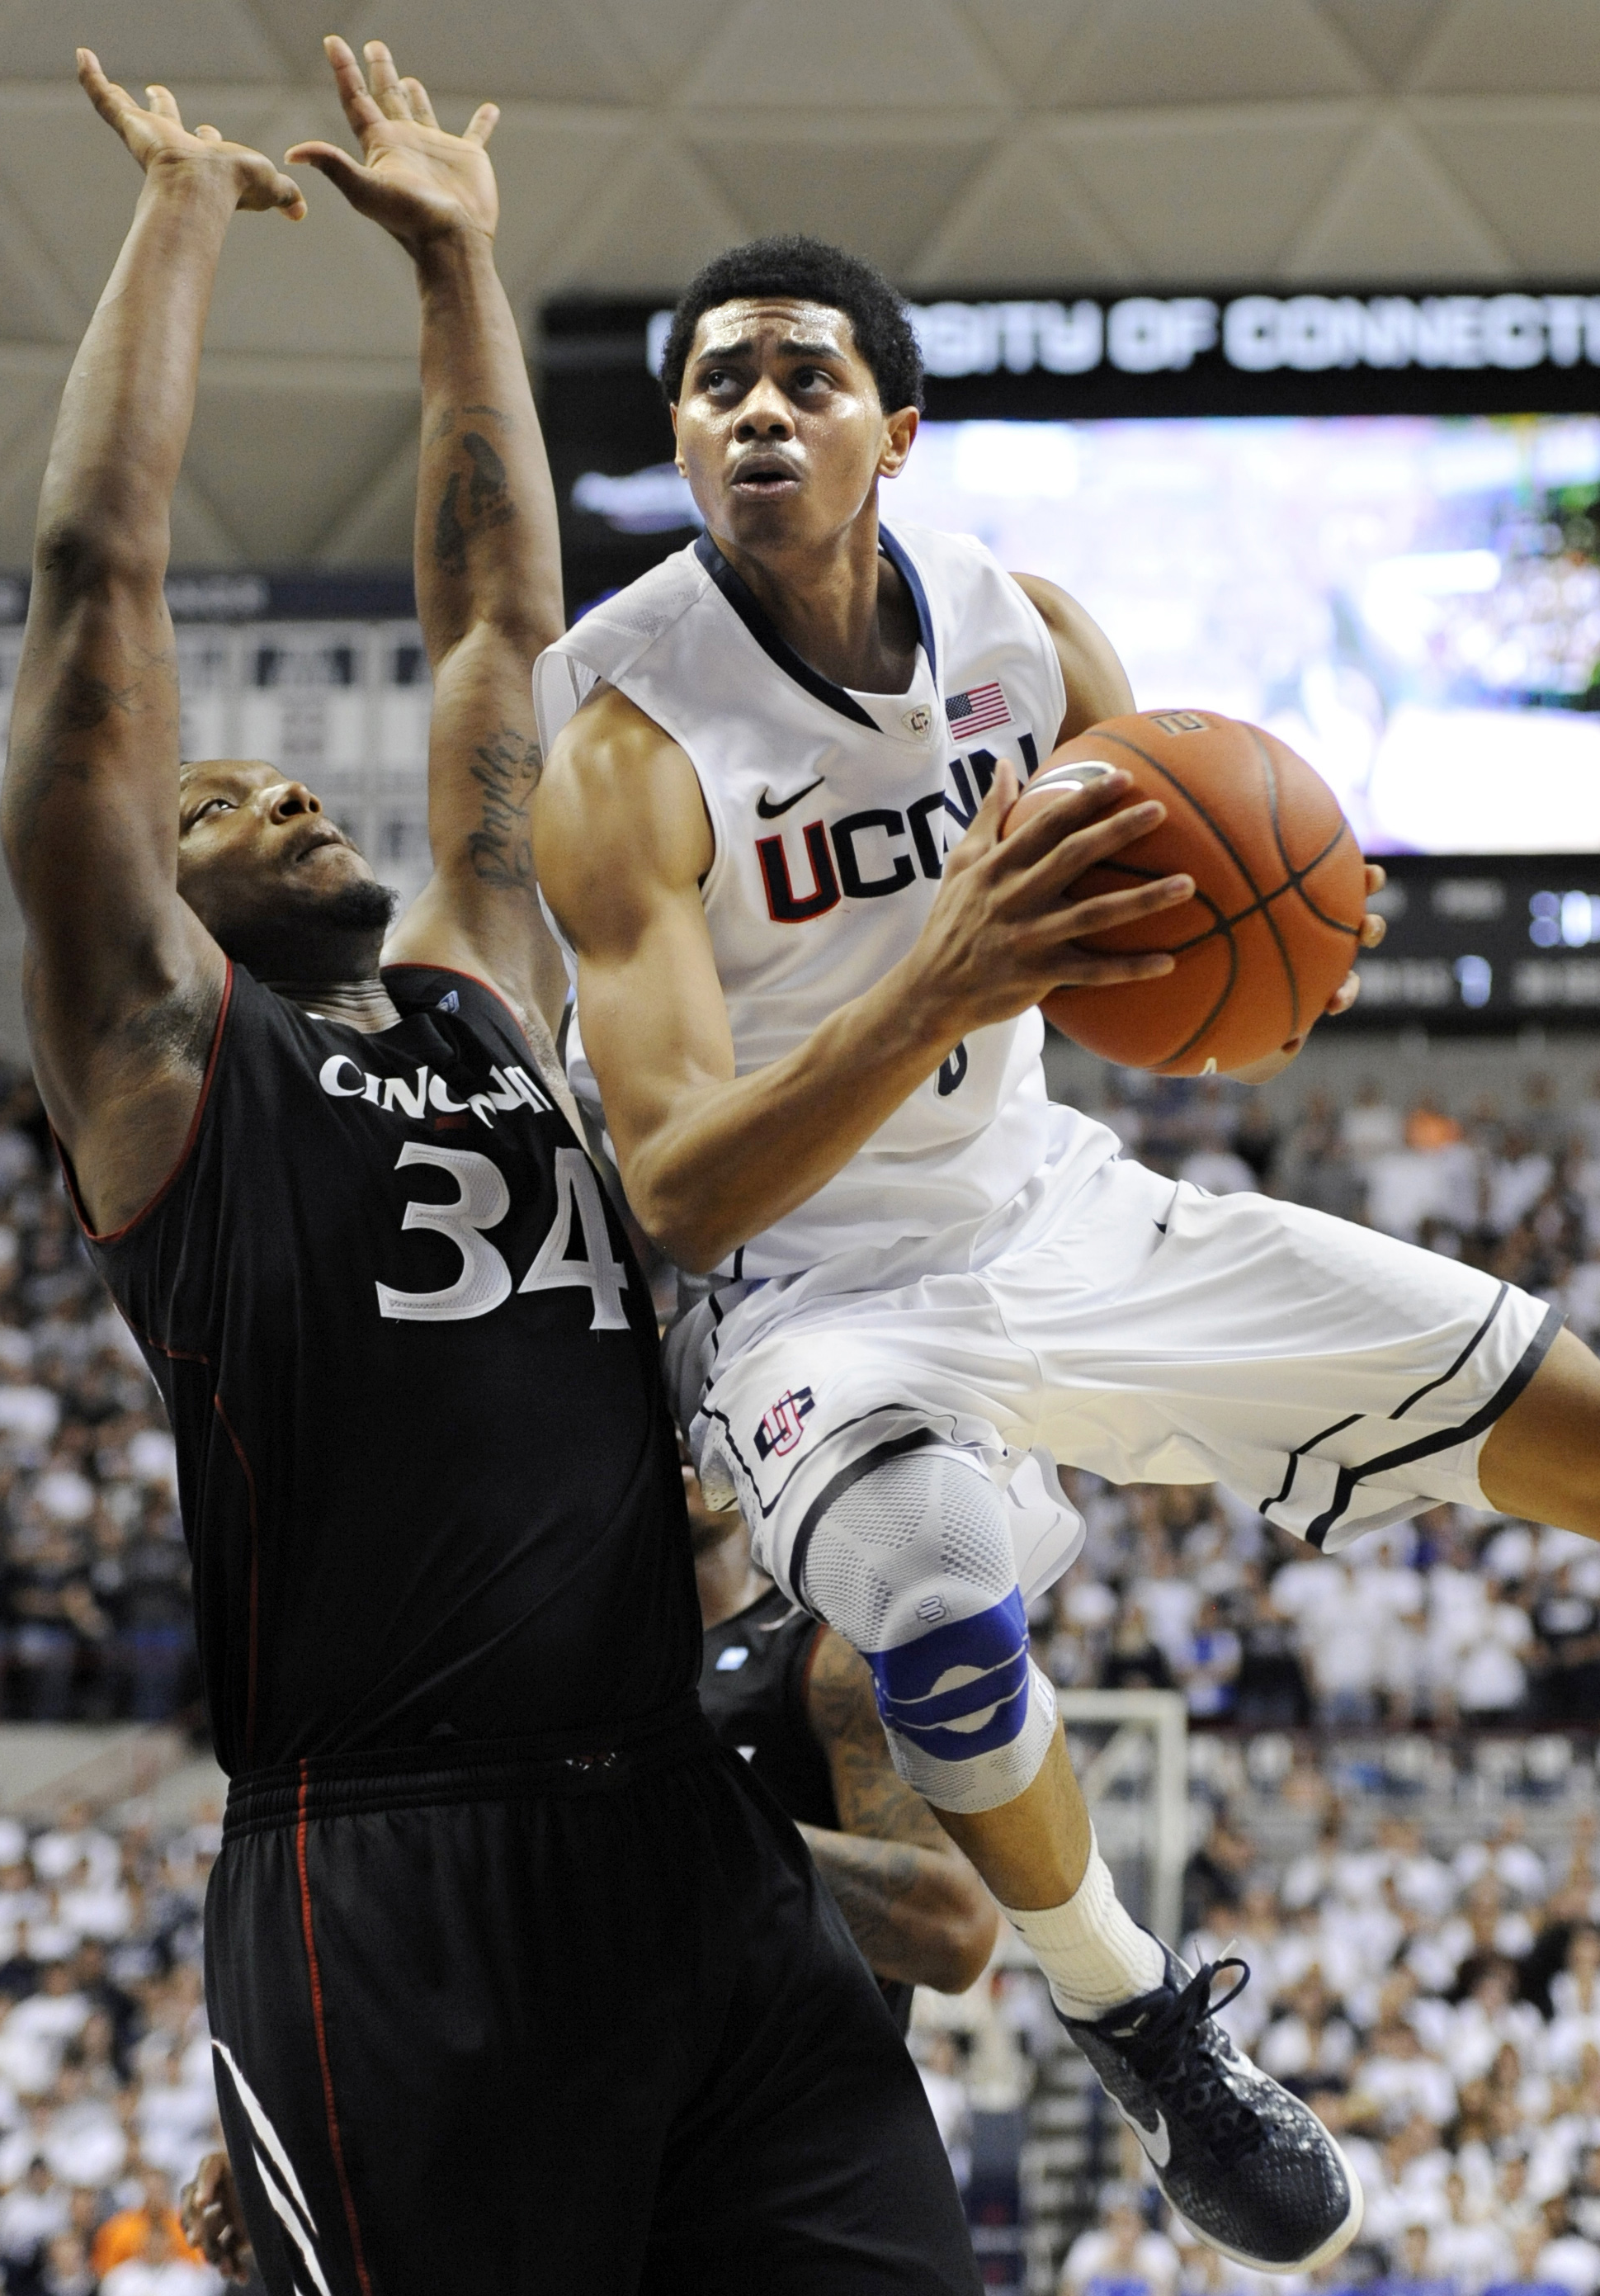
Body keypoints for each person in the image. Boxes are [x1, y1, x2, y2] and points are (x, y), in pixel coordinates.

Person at [531, 229, 1600, 2272]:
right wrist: (936, 978)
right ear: (680, 439)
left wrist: (1284, 942)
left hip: (1057, 1207)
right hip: (811, 1300)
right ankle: (1129, 2011)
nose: (755, 406)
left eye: (802, 376)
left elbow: (1197, 882)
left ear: (893, 431)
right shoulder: (619, 744)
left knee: (1561, 1406)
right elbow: (677, 1193)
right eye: (715, 383)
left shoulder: (1025, 638)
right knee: (933, 1594)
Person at [3, 57, 977, 2296]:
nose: (287, 793)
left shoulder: (476, 990)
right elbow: (95, 597)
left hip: (674, 1820)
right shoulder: (174, 1084)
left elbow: (491, 630)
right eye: (225, 793)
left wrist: (458, 264)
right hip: (393, 1863)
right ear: (141, 895)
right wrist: (175, 218)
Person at [691, 1463, 997, 2024]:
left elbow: (955, 1931)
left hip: (804, 2095)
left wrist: (717, 1842)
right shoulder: (584, 1668)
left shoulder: (824, 1652)